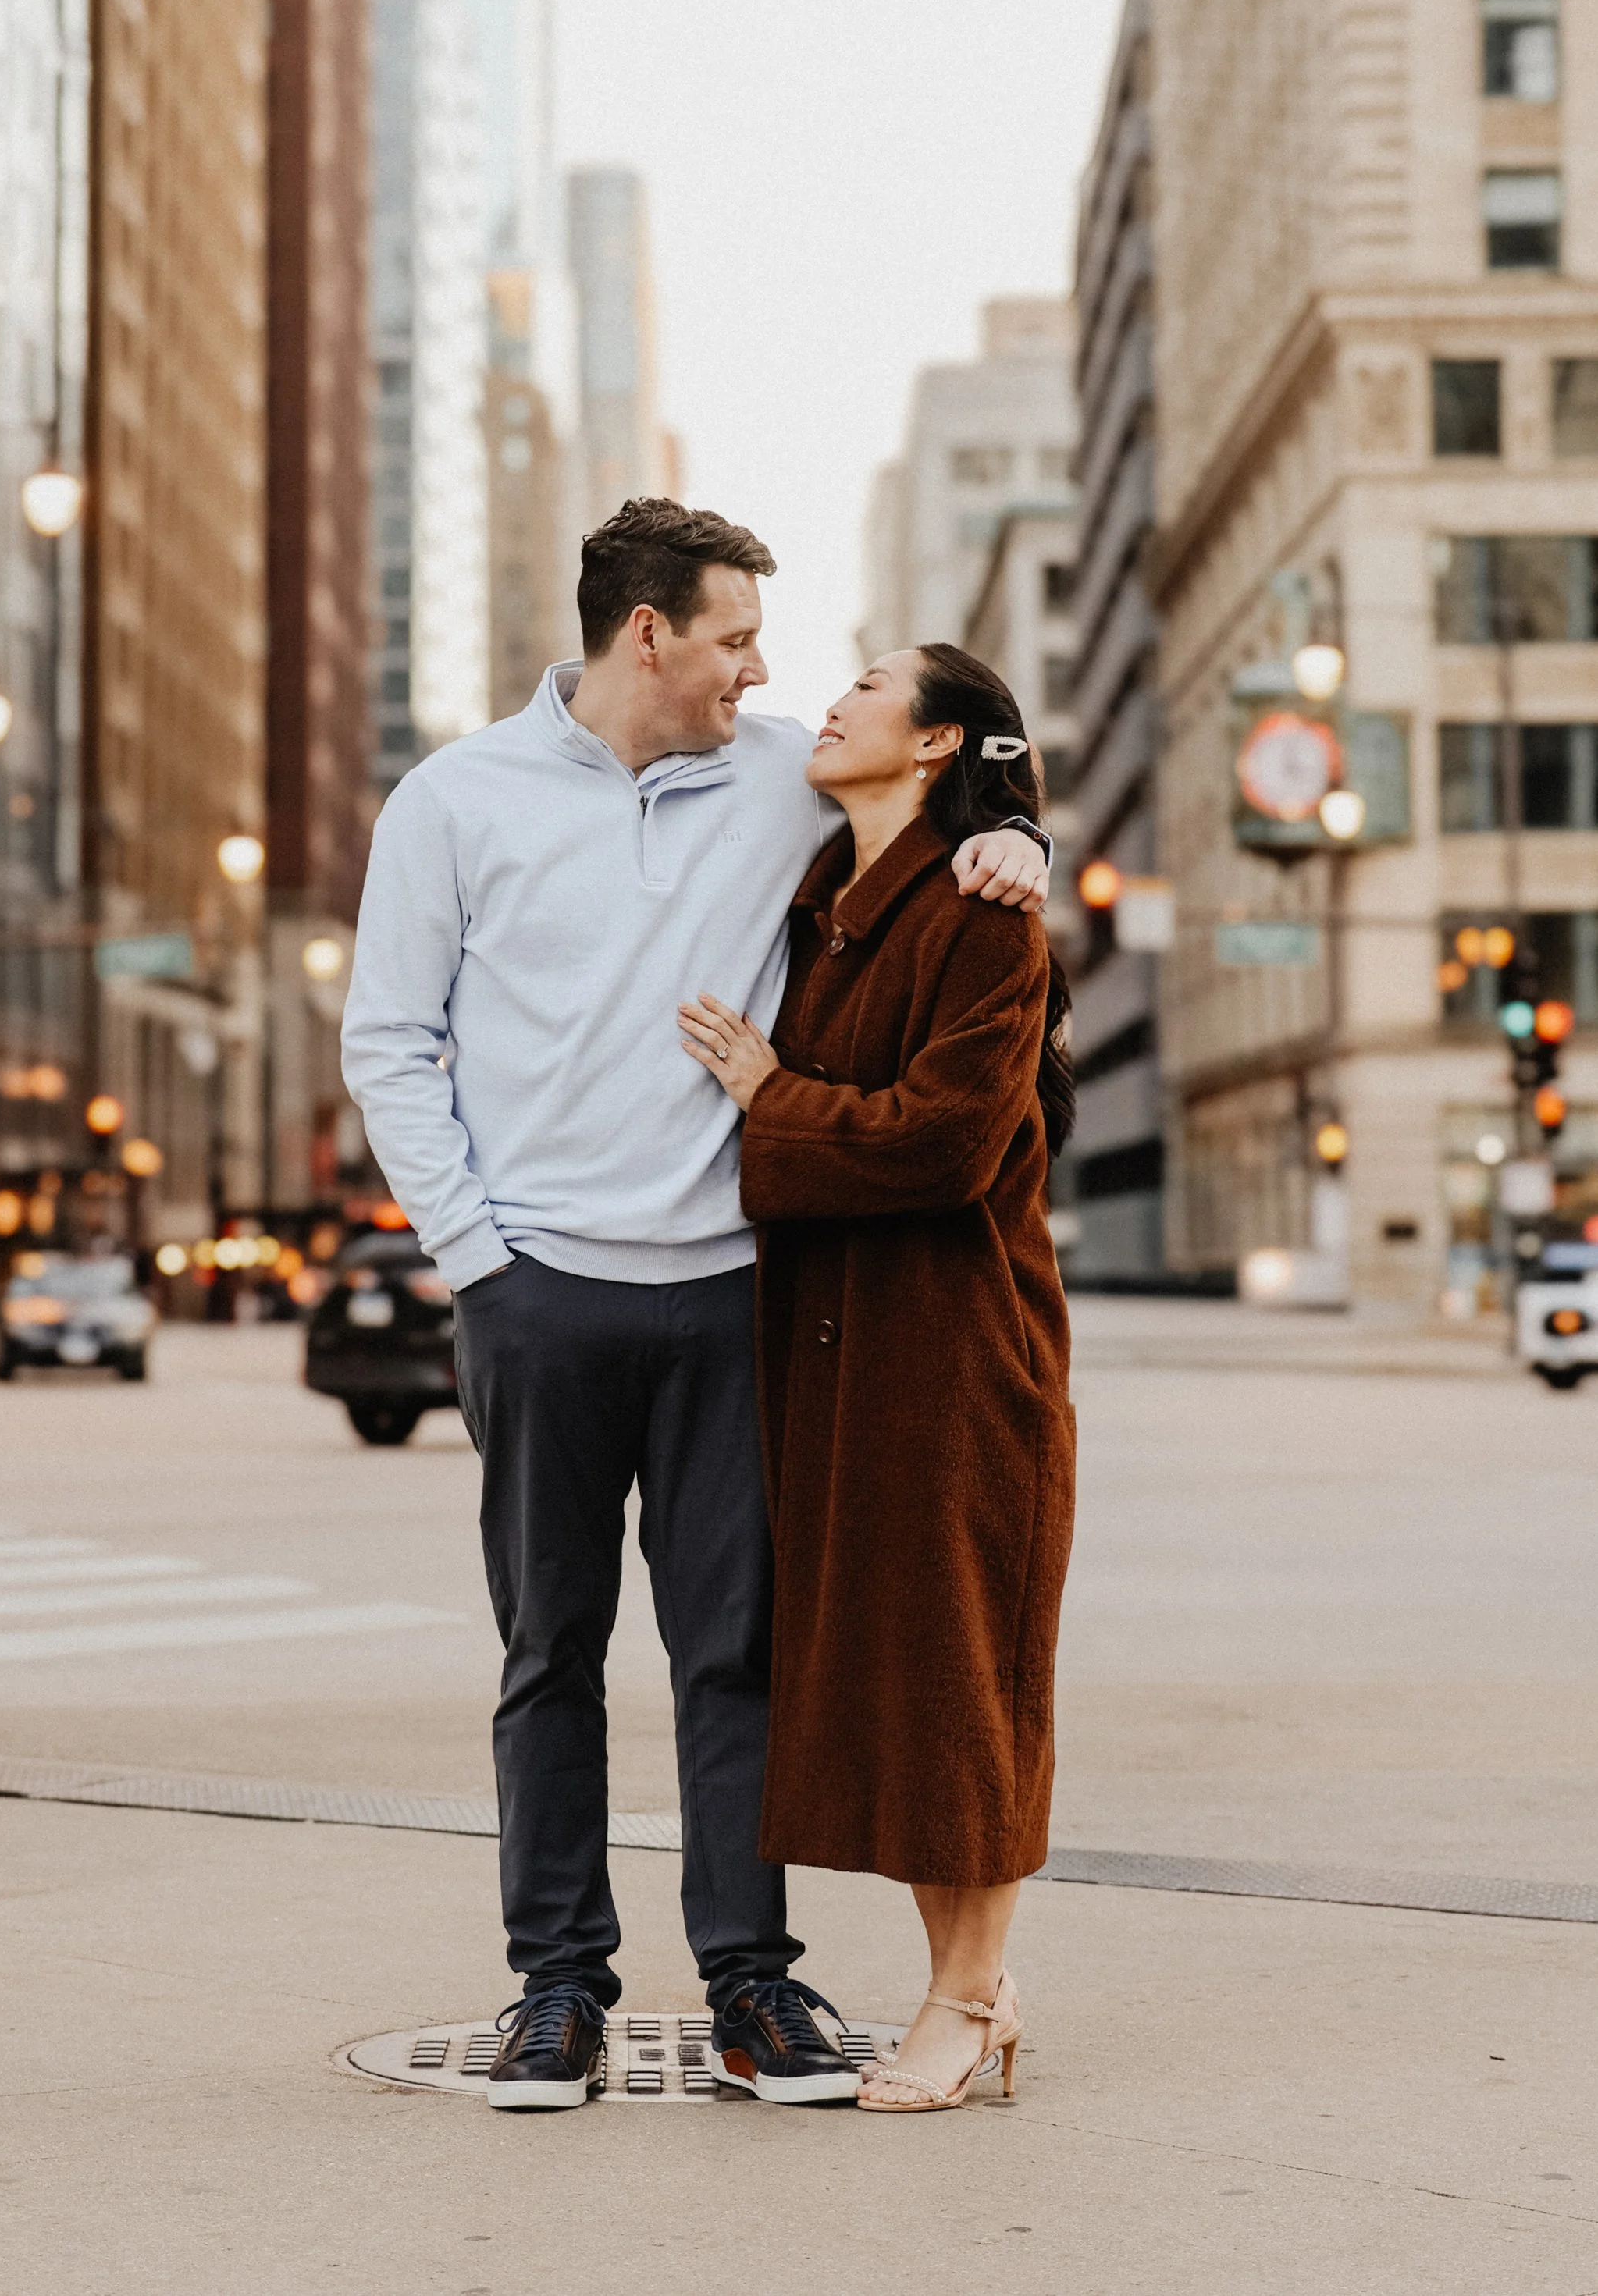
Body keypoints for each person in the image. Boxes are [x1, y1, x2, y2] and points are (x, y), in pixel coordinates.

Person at [341, 502, 1052, 2113]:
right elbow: (390, 1039)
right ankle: (555, 1990)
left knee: (739, 1656)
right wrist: (477, 1260)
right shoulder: (454, 800)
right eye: (732, 637)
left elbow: (943, 811)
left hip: (736, 1299)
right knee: (550, 1653)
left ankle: (751, 1985)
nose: (760, 670)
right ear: (643, 633)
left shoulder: (784, 777)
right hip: (538, 1296)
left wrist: (1020, 844)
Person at [681, 641, 1076, 2116]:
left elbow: (940, 1140)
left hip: (958, 1358)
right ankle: (977, 1991)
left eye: (867, 685)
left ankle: (966, 2002)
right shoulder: (827, 895)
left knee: (964, 1687)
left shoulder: (981, 914)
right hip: (849, 1356)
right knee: (906, 1690)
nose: (828, 699)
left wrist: (771, 1098)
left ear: (933, 746)